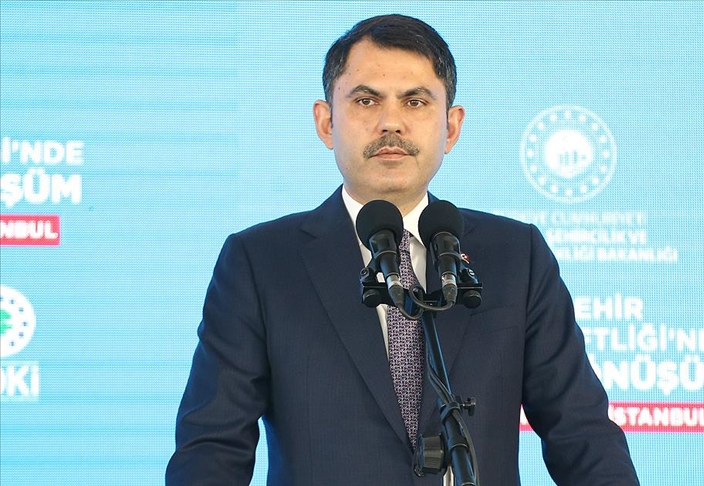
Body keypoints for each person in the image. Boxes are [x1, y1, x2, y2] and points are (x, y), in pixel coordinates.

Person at [167, 14, 640, 486]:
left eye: (415, 101)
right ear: (326, 122)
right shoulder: (261, 262)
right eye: (366, 100)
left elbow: (582, 435)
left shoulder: (517, 255)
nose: (390, 122)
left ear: (451, 126)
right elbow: (212, 449)